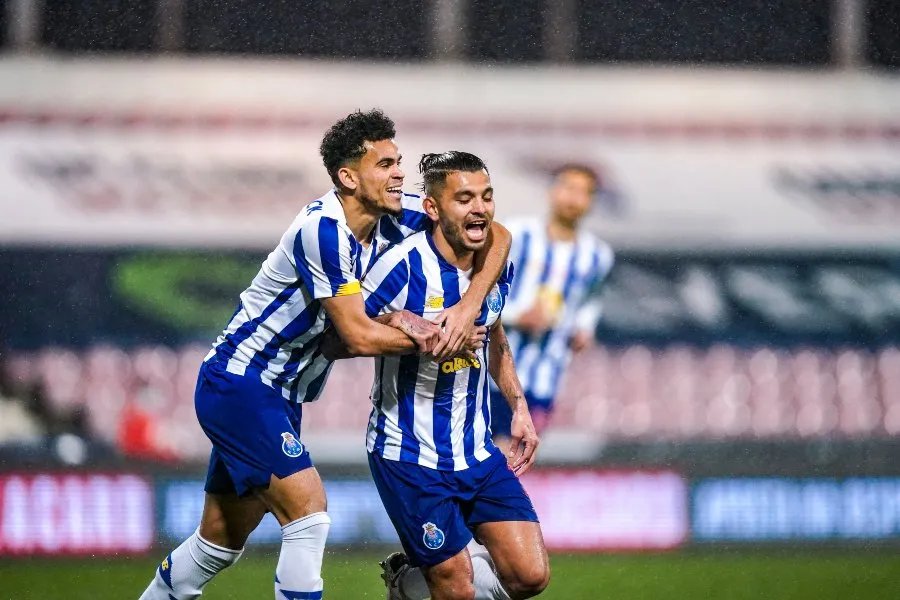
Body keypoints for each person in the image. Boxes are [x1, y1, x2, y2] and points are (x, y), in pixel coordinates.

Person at [139, 111, 512, 600]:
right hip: (242, 383)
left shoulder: (393, 223)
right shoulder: (323, 230)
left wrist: (464, 309)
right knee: (308, 515)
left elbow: (496, 234)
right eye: (384, 164)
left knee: (218, 542)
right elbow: (357, 337)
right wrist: (444, 339)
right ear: (348, 177)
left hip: (280, 396)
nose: (399, 172)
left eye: (398, 162)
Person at [323, 151, 550, 600]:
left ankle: (415, 571)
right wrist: (407, 325)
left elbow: (496, 335)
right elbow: (337, 339)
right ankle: (415, 579)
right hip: (409, 452)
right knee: (455, 586)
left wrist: (519, 408)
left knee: (529, 577)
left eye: (486, 197)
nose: (479, 208)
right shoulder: (401, 266)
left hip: (476, 450)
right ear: (433, 208)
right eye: (464, 198)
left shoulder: (496, 262)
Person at [490, 164, 614, 452]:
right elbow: (482, 287)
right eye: (569, 188)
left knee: (517, 457)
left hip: (546, 375)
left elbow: (590, 300)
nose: (574, 198)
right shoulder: (517, 235)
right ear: (552, 192)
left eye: (584, 192)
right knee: (488, 457)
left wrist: (585, 328)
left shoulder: (597, 255)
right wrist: (516, 314)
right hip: (495, 370)